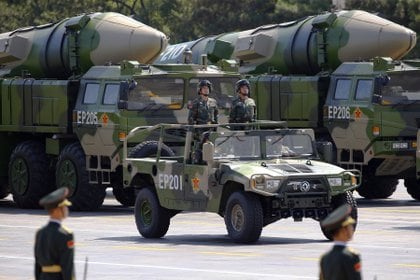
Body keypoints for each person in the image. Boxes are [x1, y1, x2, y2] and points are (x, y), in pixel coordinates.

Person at [35, 187, 75, 280]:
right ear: (57, 210)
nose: (66, 210)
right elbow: (67, 266)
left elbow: (37, 266)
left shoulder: (40, 233)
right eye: (64, 207)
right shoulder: (65, 235)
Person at [319, 204, 362, 280]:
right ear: (343, 230)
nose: (352, 229)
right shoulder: (351, 256)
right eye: (350, 226)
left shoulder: (325, 258)